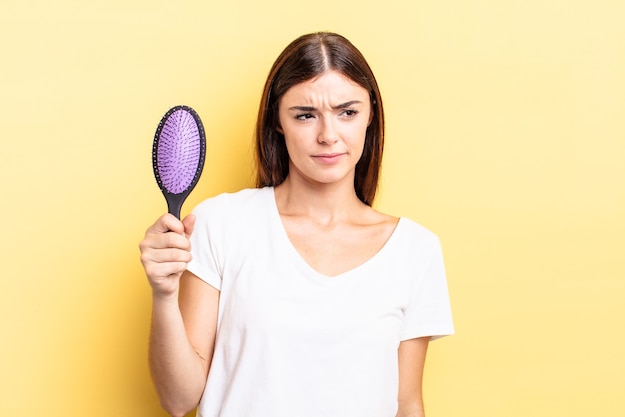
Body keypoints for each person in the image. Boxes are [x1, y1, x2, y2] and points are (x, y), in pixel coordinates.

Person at [139, 31, 454, 417]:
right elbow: (177, 400)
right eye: (305, 115)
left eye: (347, 112)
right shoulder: (220, 224)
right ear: (277, 121)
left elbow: (406, 404)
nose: (328, 135)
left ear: (371, 114)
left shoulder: (414, 250)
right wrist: (163, 295)